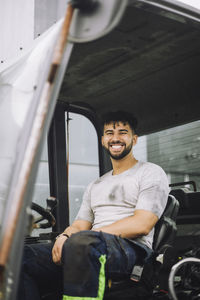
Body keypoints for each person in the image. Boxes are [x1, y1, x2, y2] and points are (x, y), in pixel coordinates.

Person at [17, 110, 169, 300]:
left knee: (82, 244)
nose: (115, 138)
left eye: (122, 132)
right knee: (19, 256)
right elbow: (81, 224)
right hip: (91, 245)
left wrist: (82, 237)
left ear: (134, 139)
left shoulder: (151, 172)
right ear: (103, 140)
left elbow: (142, 224)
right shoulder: (96, 185)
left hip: (132, 250)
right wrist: (65, 235)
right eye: (109, 133)